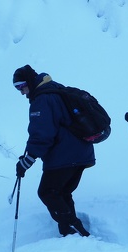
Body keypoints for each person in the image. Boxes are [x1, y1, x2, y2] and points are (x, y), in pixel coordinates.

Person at [13, 65, 94, 237]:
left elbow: (43, 134)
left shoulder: (42, 99)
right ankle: (71, 231)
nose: (21, 91)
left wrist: (28, 161)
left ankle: (73, 228)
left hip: (64, 156)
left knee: (47, 192)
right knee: (61, 192)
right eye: (17, 88)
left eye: (21, 86)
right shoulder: (56, 90)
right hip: (82, 153)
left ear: (29, 82)